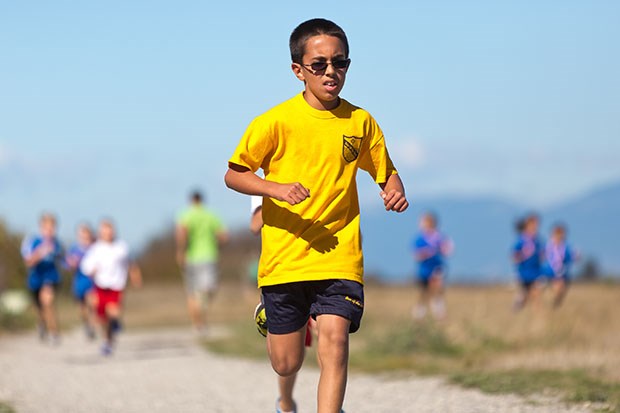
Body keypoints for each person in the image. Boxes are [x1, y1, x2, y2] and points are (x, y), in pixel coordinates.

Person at [224, 18, 409, 413]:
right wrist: (275, 190)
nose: (331, 72)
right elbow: (234, 174)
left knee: (335, 342)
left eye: (339, 63)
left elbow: (385, 171)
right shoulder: (274, 122)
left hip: (339, 254)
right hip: (285, 259)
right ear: (298, 70)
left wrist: (394, 188)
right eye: (319, 64)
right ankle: (270, 319)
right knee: (286, 362)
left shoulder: (361, 122)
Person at [251, 195, 316, 413]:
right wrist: (280, 198)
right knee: (289, 355)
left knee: (332, 336)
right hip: (284, 269)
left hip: (322, 264)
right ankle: (286, 403)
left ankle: (332, 405)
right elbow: (255, 224)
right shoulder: (265, 177)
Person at [80, 219, 142, 355]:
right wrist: (92, 270)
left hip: (116, 285)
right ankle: (107, 340)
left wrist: (135, 276)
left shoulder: (121, 247)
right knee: (102, 318)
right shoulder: (96, 248)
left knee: (114, 312)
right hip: (101, 285)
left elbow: (130, 263)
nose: (108, 233)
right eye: (105, 231)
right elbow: (86, 266)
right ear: (101, 232)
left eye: (110, 230)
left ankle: (113, 329)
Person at [176, 190, 228, 333]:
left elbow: (182, 233)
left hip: (191, 257)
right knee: (209, 290)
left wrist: (180, 251)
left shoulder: (186, 215)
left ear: (191, 200)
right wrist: (217, 243)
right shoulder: (211, 215)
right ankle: (200, 317)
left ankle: (197, 323)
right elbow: (223, 236)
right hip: (209, 256)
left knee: (192, 292)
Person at [20, 213, 63, 345]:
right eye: (47, 227)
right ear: (41, 227)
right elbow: (28, 262)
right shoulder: (32, 242)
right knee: (40, 309)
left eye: (52, 228)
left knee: (47, 302)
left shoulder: (57, 243)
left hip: (50, 278)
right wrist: (41, 252)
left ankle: (54, 333)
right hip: (35, 279)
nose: (50, 231)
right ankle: (42, 324)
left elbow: (63, 260)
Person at [411, 212, 454, 320]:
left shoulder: (439, 237)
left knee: (436, 291)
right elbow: (416, 255)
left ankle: (439, 315)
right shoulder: (420, 239)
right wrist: (427, 253)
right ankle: (419, 316)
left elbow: (448, 250)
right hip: (424, 270)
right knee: (424, 294)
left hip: (436, 269)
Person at [64, 223, 97, 339]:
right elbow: (67, 264)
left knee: (92, 303)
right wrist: (71, 263)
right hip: (79, 281)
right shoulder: (74, 248)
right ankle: (87, 324)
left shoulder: (95, 247)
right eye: (81, 235)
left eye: (86, 234)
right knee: (81, 308)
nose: (84, 237)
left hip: (91, 281)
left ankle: (92, 326)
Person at [512, 213, 544, 311]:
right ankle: (516, 308)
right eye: (533, 225)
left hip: (536, 271)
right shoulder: (522, 240)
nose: (535, 227)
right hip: (524, 273)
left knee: (536, 293)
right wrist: (522, 256)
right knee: (524, 296)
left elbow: (542, 253)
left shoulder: (537, 240)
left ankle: (538, 315)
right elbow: (514, 255)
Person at [543, 223, 578, 308]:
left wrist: (575, 257)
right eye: (557, 234)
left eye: (561, 234)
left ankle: (554, 306)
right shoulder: (548, 246)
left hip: (563, 273)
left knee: (561, 292)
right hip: (550, 273)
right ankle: (551, 305)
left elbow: (571, 258)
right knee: (558, 288)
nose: (559, 236)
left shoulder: (566, 246)